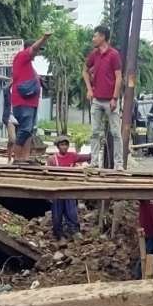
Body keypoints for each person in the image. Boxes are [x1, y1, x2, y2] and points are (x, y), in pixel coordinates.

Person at [83, 25, 123, 170]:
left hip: (110, 100)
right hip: (97, 100)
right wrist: (89, 89)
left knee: (115, 132)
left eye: (95, 36)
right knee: (94, 132)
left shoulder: (114, 54)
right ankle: (94, 162)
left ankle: (118, 164)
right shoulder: (94, 54)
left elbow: (119, 77)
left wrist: (115, 98)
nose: (93, 39)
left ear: (102, 37)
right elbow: (85, 71)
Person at [9, 32, 51, 161]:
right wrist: (44, 38)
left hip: (31, 104)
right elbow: (33, 50)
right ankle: (16, 157)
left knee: (28, 131)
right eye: (37, 51)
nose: (38, 54)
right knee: (25, 129)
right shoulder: (22, 57)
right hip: (23, 103)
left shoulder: (29, 66)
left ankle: (25, 159)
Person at [48, 136, 90, 239]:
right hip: (57, 190)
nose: (64, 147)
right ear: (58, 146)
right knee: (57, 215)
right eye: (62, 145)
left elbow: (87, 157)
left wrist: (97, 150)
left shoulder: (72, 156)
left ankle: (74, 231)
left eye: (66, 144)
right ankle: (58, 233)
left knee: (71, 211)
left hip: (70, 189)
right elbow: (48, 175)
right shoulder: (53, 159)